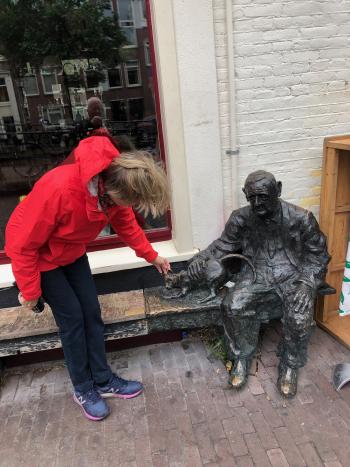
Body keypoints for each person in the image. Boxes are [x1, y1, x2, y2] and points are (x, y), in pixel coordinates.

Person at [5, 132, 170, 421]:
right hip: (41, 257)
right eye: (127, 201)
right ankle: (83, 388)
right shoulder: (60, 189)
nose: (125, 207)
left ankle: (103, 381)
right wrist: (31, 293)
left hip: (71, 251)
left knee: (91, 313)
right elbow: (21, 244)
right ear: (111, 186)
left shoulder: (111, 194)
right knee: (72, 319)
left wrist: (152, 256)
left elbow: (127, 225)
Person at [188, 170, 330, 397]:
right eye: (251, 197)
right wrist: (200, 258)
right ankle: (242, 358)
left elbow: (318, 255)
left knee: (300, 315)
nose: (257, 203)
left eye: (263, 196)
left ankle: (290, 365)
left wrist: (307, 283)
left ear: (278, 190)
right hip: (256, 275)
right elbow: (222, 245)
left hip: (293, 277)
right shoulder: (240, 218)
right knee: (233, 305)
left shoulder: (301, 218)